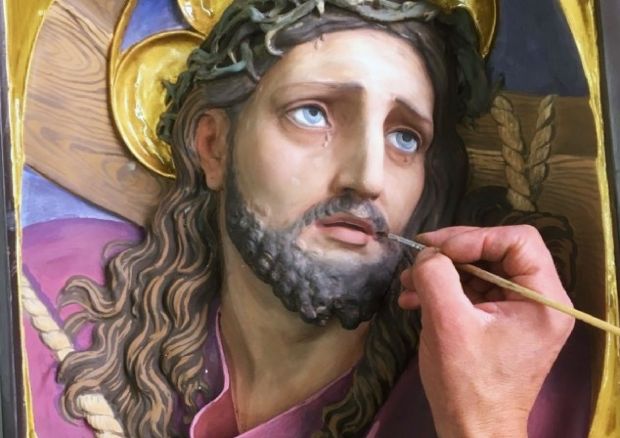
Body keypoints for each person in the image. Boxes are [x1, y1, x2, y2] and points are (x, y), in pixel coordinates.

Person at [21, 0, 589, 437]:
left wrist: (485, 422)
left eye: (404, 137)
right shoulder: (48, 298)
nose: (368, 177)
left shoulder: (521, 386)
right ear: (214, 146)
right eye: (313, 113)